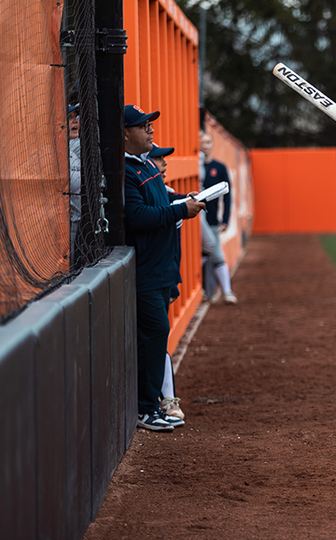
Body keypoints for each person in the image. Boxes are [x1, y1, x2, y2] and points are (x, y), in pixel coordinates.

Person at [123, 105, 204, 431]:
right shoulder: (126, 170)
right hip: (145, 270)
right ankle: (146, 409)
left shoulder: (144, 166)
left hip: (160, 267)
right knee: (153, 337)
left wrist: (187, 200)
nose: (151, 131)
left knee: (156, 338)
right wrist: (180, 211)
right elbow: (138, 217)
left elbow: (159, 205)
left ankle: (153, 405)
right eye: (144, 126)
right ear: (126, 133)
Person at [148, 142, 185, 420]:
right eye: (159, 159)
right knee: (157, 335)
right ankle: (160, 400)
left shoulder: (167, 193)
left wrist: (174, 278)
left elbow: (175, 245)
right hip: (149, 274)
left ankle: (167, 398)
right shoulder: (153, 192)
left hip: (163, 273)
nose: (164, 164)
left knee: (160, 336)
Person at [199, 131, 237, 305]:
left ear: (213, 144)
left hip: (212, 219)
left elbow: (227, 196)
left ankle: (226, 292)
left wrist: (226, 219)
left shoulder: (219, 167)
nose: (205, 145)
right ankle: (214, 291)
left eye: (208, 142)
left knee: (213, 253)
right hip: (194, 218)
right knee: (209, 253)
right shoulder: (197, 167)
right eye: (202, 142)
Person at [68, 104, 81, 269]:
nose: (75, 120)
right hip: (63, 227)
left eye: (75, 116)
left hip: (80, 225)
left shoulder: (77, 146)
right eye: (69, 117)